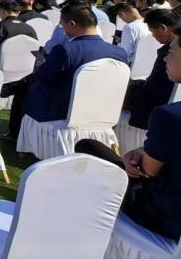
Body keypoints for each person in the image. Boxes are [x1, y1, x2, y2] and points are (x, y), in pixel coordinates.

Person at [75, 22, 181, 241]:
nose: (165, 59)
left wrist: (140, 157)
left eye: (171, 53)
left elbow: (147, 170)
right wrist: (144, 150)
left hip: (165, 216)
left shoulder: (169, 116)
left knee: (88, 147)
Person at [6, 0, 128, 142]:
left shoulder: (65, 50)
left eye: (62, 25)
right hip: (101, 110)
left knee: (26, 89)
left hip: (61, 111)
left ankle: (19, 136)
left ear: (71, 24)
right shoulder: (119, 52)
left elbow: (43, 78)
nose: (63, 29)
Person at [126, 9, 177, 131]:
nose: (153, 37)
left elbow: (155, 86)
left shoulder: (169, 53)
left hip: (158, 104)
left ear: (163, 28)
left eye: (153, 32)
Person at [0, 0, 37, 68]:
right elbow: (35, 51)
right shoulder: (30, 28)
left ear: (2, 11)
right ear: (18, 12)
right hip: (26, 69)